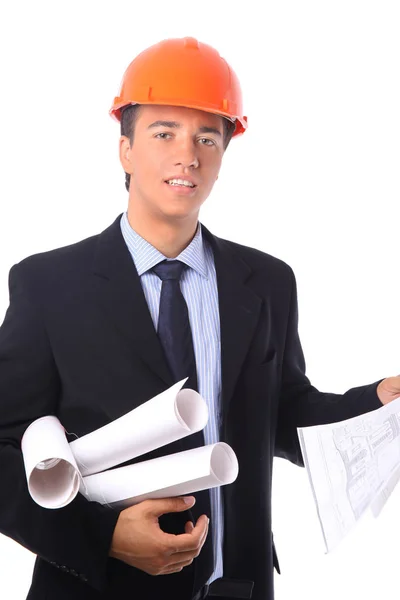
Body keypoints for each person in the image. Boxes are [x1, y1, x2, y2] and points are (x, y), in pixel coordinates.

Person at [0, 36, 399, 600]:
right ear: (126, 150)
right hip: (100, 586)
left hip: (234, 583)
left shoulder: (266, 283)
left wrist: (374, 401)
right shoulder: (49, 286)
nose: (188, 154)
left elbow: (282, 414)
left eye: (206, 137)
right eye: (164, 133)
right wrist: (103, 536)